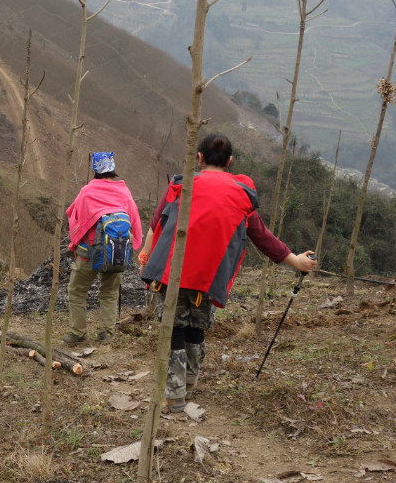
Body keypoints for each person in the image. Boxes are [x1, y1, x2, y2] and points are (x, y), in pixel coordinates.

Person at [138, 133, 317, 413]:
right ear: (230, 161)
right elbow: (262, 236)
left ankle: (174, 396)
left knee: (174, 328)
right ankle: (190, 383)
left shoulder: (181, 185)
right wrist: (296, 261)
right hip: (210, 278)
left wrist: (145, 259)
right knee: (196, 327)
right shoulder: (241, 195)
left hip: (172, 273)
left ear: (199, 158)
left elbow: (155, 225)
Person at [63, 152, 143, 345]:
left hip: (88, 253)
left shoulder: (87, 192)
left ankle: (78, 334)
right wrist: (131, 247)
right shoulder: (124, 192)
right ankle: (106, 333)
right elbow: (134, 222)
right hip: (116, 251)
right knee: (109, 293)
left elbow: (76, 219)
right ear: (112, 168)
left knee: (77, 291)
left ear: (94, 170)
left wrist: (73, 244)